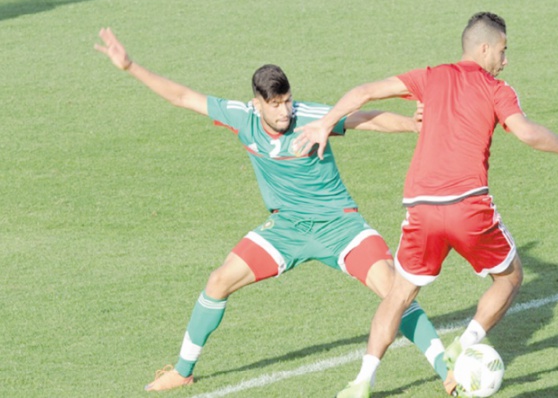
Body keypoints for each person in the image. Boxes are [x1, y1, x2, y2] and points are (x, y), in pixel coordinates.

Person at [93, 28, 457, 393]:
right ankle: (183, 370)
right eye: (276, 104)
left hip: (339, 225)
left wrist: (411, 125)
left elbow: (364, 118)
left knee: (395, 291)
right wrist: (129, 66)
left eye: (287, 101)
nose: (285, 112)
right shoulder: (241, 118)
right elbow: (182, 96)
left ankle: (447, 372)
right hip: (287, 228)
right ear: (258, 104)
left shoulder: (311, 117)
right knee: (219, 280)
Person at [293, 12, 558, 397]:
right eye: (503, 50)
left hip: (421, 206)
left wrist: (324, 124)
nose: (505, 60)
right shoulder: (498, 89)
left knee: (399, 294)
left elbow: (364, 91)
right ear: (484, 48)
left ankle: (362, 381)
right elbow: (527, 132)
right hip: (467, 205)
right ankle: (463, 344)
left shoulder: (430, 76)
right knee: (510, 277)